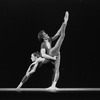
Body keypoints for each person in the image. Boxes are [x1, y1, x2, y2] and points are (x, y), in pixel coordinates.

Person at [38, 11, 69, 90]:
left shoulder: (50, 40)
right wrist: (52, 58)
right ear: (43, 37)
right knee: (62, 36)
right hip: (51, 54)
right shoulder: (43, 44)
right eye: (45, 34)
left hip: (56, 53)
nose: (47, 34)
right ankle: (66, 21)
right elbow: (43, 55)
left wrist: (63, 23)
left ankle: (53, 86)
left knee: (57, 69)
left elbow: (58, 32)